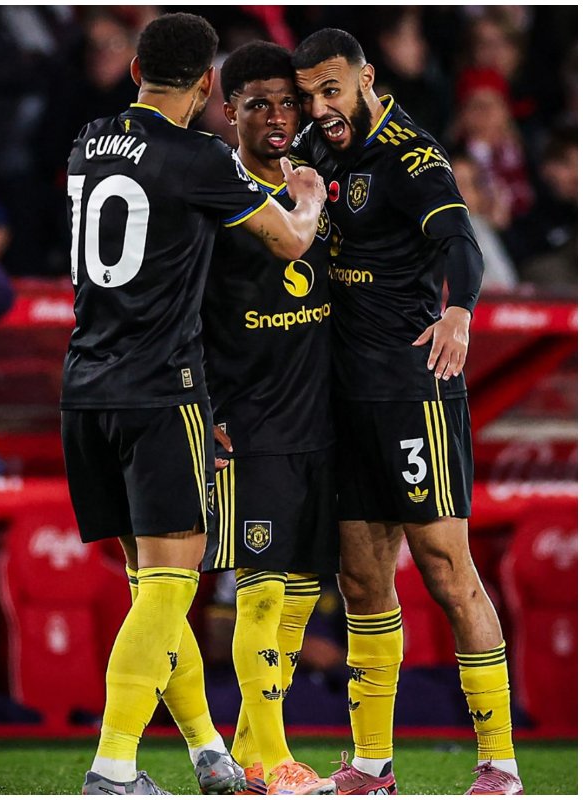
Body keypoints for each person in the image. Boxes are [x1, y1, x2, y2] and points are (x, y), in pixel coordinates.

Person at [59, 12, 326, 795]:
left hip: (84, 388)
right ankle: (113, 766)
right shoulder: (201, 156)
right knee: (174, 588)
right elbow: (289, 242)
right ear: (208, 85)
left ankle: (209, 751)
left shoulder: (87, 139)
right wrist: (306, 196)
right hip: (160, 390)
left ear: (135, 66)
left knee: (152, 590)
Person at [289, 29, 519, 795]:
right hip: (343, 396)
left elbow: (461, 241)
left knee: (449, 571)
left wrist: (461, 313)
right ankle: (371, 765)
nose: (321, 107)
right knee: (360, 583)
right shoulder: (323, 151)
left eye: (332, 89)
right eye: (310, 94)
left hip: (412, 391)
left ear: (366, 78)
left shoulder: (411, 156)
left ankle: (500, 765)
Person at [201, 41, 338, 795]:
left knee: (296, 593)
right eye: (258, 104)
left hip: (319, 420)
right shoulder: (215, 194)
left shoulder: (324, 179)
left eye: (287, 102)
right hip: (249, 423)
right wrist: (210, 406)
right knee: (256, 590)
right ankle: (273, 757)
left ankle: (253, 750)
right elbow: (184, 309)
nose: (278, 117)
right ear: (230, 111)